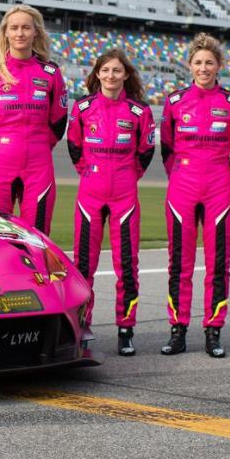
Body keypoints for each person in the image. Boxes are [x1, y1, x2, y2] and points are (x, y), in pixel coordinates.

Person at [159, 33, 230, 358]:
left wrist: (226, 178)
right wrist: (181, 175)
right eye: (198, 62)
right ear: (190, 65)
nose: (203, 68)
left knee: (218, 264)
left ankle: (214, 330)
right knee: (179, 263)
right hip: (182, 187)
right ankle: (178, 329)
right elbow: (166, 148)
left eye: (209, 62)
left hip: (219, 188)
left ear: (219, 65)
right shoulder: (174, 101)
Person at [66, 48, 155, 356]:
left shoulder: (139, 111)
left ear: (125, 75)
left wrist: (126, 176)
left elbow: (146, 151)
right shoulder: (82, 107)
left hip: (125, 196)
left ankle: (126, 328)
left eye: (117, 71)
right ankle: (81, 326)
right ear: (98, 74)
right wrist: (90, 172)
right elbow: (74, 147)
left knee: (127, 266)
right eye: (106, 70)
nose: (111, 76)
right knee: (83, 266)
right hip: (90, 194)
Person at [0, 4, 67, 234]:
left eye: (25, 27)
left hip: (39, 166)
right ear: (5, 33)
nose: (20, 33)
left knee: (38, 237)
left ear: (36, 32)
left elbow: (59, 122)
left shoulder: (51, 73)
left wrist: (38, 145)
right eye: (14, 28)